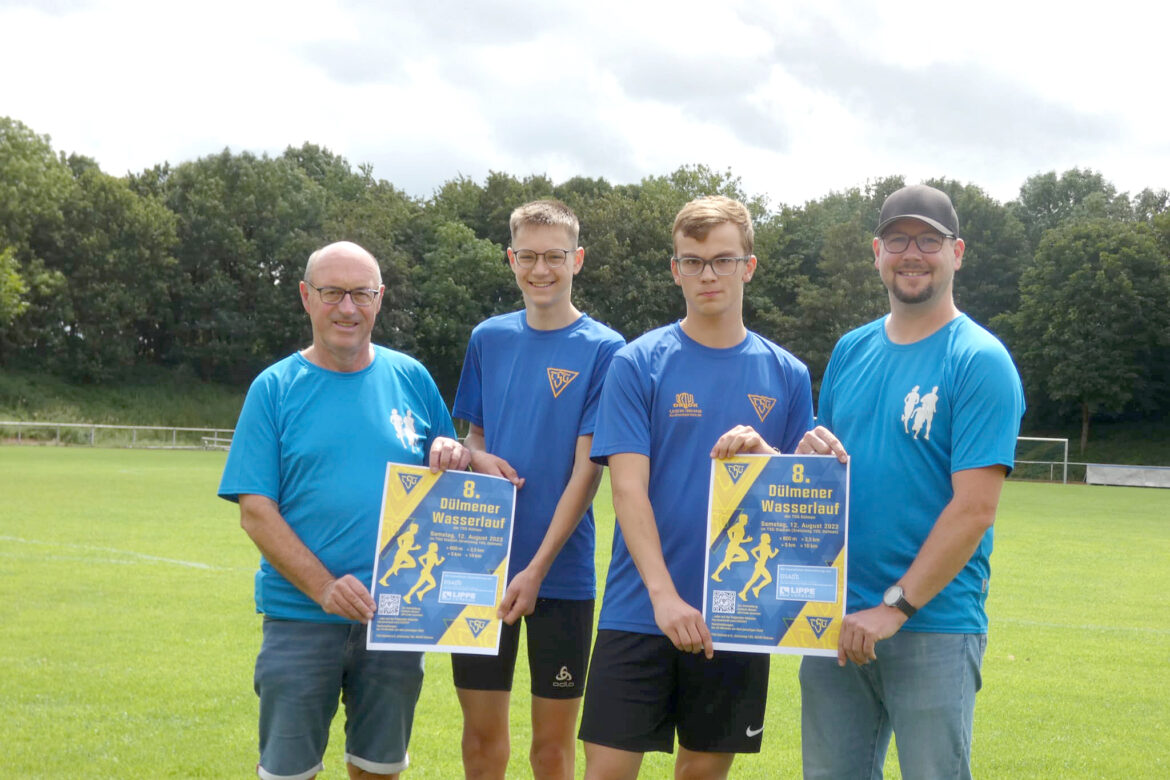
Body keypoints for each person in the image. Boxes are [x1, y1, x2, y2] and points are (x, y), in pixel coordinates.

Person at [580, 195, 814, 779]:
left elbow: (793, 505)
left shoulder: (787, 374)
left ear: (748, 266)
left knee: (703, 774)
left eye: (723, 260)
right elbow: (627, 490)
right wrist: (663, 597)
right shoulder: (636, 363)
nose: (708, 274)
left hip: (738, 616)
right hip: (640, 608)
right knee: (606, 773)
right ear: (675, 269)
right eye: (693, 261)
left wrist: (770, 456)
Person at [796, 184, 1025, 779]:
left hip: (933, 624)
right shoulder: (850, 350)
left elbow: (974, 509)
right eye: (897, 240)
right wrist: (792, 456)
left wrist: (894, 607)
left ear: (957, 252)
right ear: (877, 252)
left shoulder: (979, 359)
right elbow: (829, 474)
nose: (912, 254)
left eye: (929, 240)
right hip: (836, 622)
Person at [217, 241, 470, 780]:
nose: (347, 308)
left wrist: (452, 452)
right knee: (288, 772)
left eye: (361, 293)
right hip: (300, 617)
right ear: (306, 297)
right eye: (332, 292)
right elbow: (255, 510)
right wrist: (325, 587)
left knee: (379, 769)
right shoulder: (274, 388)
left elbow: (447, 475)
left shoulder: (412, 378)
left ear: (380, 298)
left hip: (395, 620)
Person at [450, 200, 625, 780]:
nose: (540, 269)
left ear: (577, 259)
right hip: (481, 568)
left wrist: (537, 569)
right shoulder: (488, 338)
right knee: (482, 743)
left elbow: (588, 471)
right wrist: (476, 456)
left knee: (552, 750)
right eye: (527, 256)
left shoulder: (606, 349)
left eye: (554, 256)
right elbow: (474, 437)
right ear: (511, 259)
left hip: (562, 577)